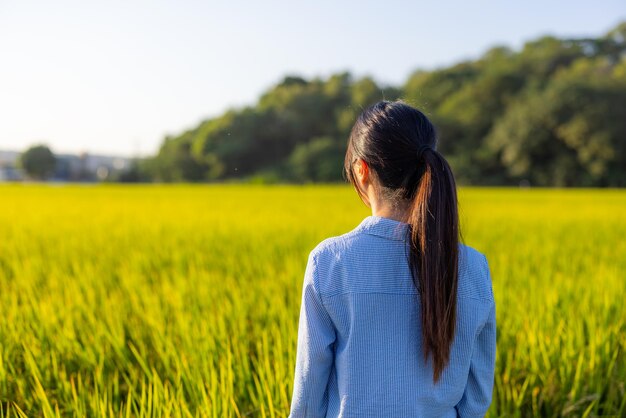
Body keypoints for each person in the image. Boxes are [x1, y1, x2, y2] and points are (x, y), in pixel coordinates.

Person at [288, 100, 496, 417]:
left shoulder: (330, 262)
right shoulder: (473, 268)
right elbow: (477, 397)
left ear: (361, 170)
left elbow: (309, 389)